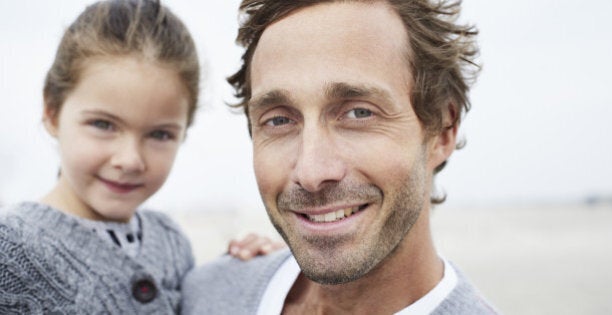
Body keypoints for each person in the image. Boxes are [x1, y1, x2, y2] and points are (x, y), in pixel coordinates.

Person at [182, 0, 498, 314]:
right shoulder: (204, 294)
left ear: (443, 131)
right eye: (279, 120)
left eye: (359, 113)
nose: (311, 172)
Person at [0, 1, 282, 313]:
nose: (131, 160)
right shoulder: (9, 253)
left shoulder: (172, 244)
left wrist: (240, 274)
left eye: (159, 134)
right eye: (103, 125)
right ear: (51, 112)